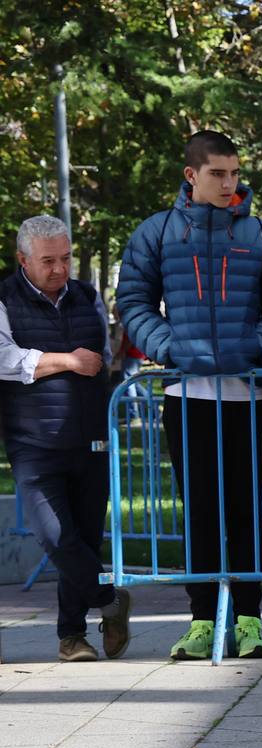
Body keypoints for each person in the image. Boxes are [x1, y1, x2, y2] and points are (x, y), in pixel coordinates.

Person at [116, 130, 262, 660]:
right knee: (199, 510)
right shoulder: (157, 233)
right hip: (186, 394)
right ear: (191, 175)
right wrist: (171, 347)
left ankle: (248, 621)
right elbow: (132, 300)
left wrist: (254, 347)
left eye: (235, 173)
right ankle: (200, 622)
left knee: (245, 511)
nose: (229, 183)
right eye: (218, 173)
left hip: (248, 397)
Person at [0, 215, 131, 661]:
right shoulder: (4, 298)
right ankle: (112, 601)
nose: (59, 269)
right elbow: (4, 359)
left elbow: (105, 358)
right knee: (56, 536)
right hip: (32, 440)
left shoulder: (88, 297)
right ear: (23, 260)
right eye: (48, 261)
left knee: (85, 536)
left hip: (90, 437)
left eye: (66, 258)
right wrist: (67, 361)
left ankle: (72, 636)